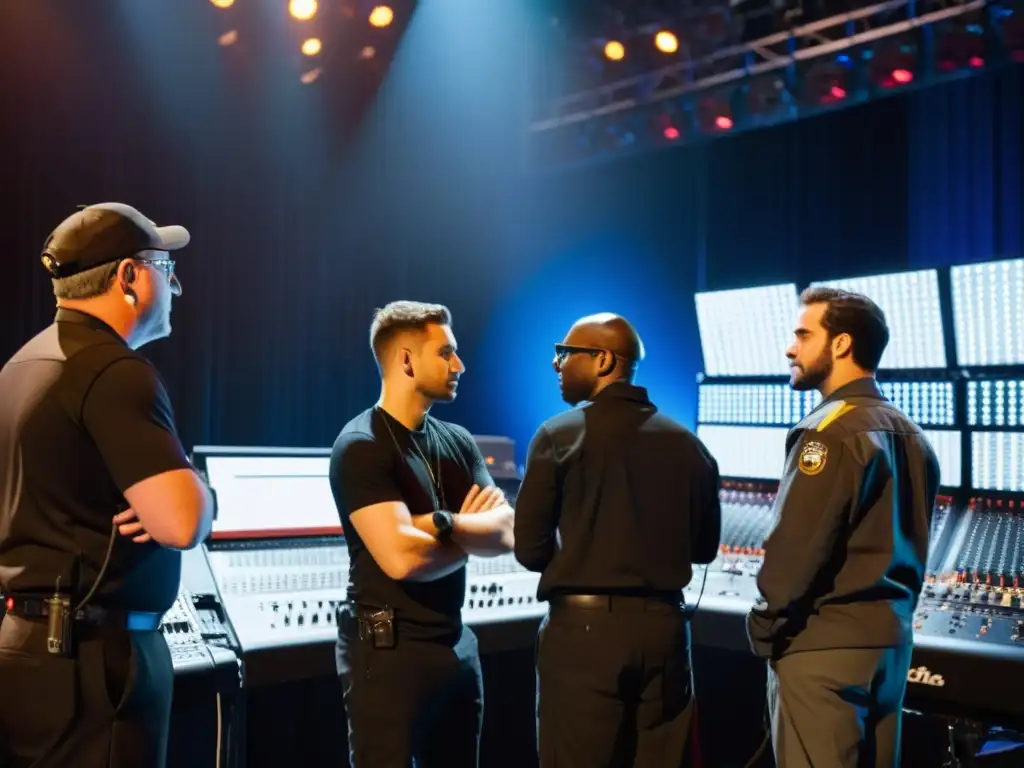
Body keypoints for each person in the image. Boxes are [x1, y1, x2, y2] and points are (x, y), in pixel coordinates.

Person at [0, 203, 216, 767]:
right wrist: (196, 490)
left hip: (27, 647)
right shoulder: (116, 372)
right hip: (98, 662)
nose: (176, 285)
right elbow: (182, 521)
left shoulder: (22, 365)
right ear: (128, 277)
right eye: (165, 268)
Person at [513, 312, 722, 768]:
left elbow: (529, 551)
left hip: (583, 638)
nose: (556, 364)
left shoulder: (556, 436)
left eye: (565, 354)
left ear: (603, 359)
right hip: (666, 635)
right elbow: (704, 550)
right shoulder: (690, 444)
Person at [746, 287, 940, 768]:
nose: (791, 348)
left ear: (841, 345)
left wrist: (763, 627)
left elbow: (795, 550)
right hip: (890, 651)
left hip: (822, 651)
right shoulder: (913, 435)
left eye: (803, 334)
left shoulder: (827, 431)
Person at [328, 300, 515, 768]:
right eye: (446, 352)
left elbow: (507, 531)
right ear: (407, 360)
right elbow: (402, 559)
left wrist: (439, 522)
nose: (460, 365)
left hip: (455, 642)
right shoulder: (361, 446)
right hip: (387, 653)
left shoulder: (459, 441)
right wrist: (468, 529)